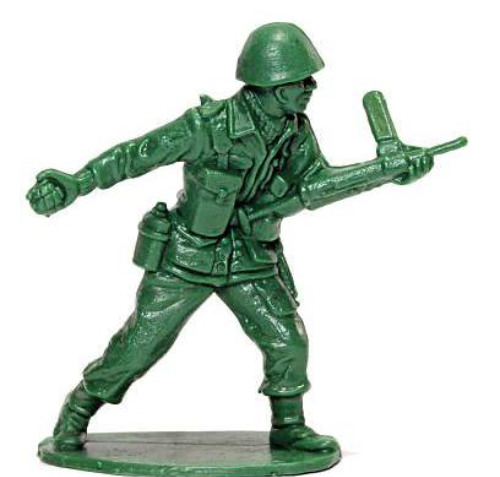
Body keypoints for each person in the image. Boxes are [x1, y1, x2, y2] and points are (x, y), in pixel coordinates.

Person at [27, 22, 433, 454]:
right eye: (302, 80)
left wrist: (386, 174)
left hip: (250, 255)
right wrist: (77, 182)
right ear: (274, 84)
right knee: (139, 346)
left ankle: (288, 425)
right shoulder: (207, 125)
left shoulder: (295, 130)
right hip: (187, 256)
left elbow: (315, 182)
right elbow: (135, 155)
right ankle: (77, 411)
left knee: (287, 339)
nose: (311, 87)